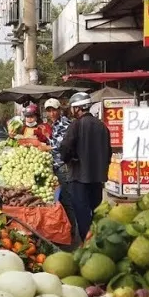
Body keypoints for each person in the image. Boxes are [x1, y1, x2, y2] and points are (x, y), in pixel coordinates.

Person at [59, 91, 112, 240]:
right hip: (97, 179)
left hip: (79, 178)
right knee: (96, 212)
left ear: (77, 108)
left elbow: (65, 149)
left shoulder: (75, 125)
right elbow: (108, 152)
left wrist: (68, 160)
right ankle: (98, 240)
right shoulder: (102, 126)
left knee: (82, 215)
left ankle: (86, 243)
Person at [44, 99, 77, 242]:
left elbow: (63, 146)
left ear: (59, 110)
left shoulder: (64, 124)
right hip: (56, 166)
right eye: (49, 110)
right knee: (61, 200)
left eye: (54, 110)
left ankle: (72, 231)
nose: (52, 113)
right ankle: (65, 230)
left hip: (63, 167)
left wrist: (44, 146)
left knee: (67, 199)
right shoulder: (54, 124)